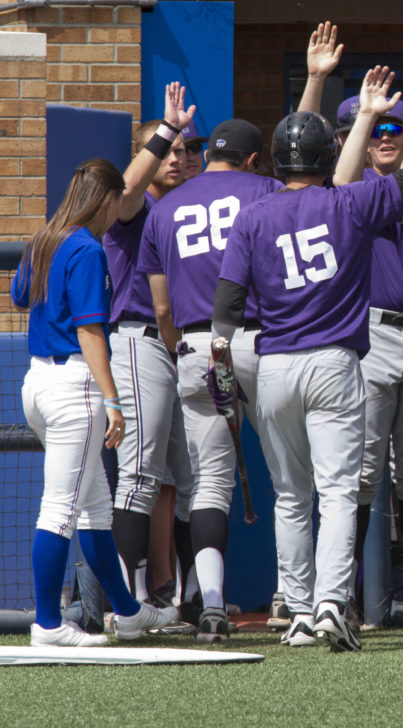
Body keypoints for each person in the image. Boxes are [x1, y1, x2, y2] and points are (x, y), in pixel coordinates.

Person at [215, 50, 403, 652]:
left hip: (273, 363)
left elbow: (226, 307)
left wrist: (221, 363)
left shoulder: (254, 214)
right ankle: (328, 605)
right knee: (340, 492)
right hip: (334, 362)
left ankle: (296, 611)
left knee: (291, 498)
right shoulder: (347, 203)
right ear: (329, 158)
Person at [13, 159, 178, 646]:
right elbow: (89, 331)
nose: (118, 210)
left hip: (37, 383)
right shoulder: (86, 246)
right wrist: (114, 399)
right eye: (116, 200)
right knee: (60, 509)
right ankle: (46, 624)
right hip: (73, 388)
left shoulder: (47, 237)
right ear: (104, 199)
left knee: (96, 509)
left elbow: (21, 297)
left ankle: (128, 612)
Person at [138, 117, 284, 642]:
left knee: (207, 487)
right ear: (250, 159)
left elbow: (160, 304)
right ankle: (296, 601)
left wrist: (181, 345)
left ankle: (213, 605)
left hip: (195, 344)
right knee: (291, 479)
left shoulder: (168, 206)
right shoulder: (267, 188)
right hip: (262, 340)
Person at [103, 83, 197, 614]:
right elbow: (124, 190)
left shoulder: (191, 208)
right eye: (170, 149)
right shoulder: (133, 209)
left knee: (191, 477)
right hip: (140, 339)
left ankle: (182, 597)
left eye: (188, 149)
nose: (180, 157)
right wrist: (164, 130)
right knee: (139, 474)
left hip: (186, 345)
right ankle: (127, 602)